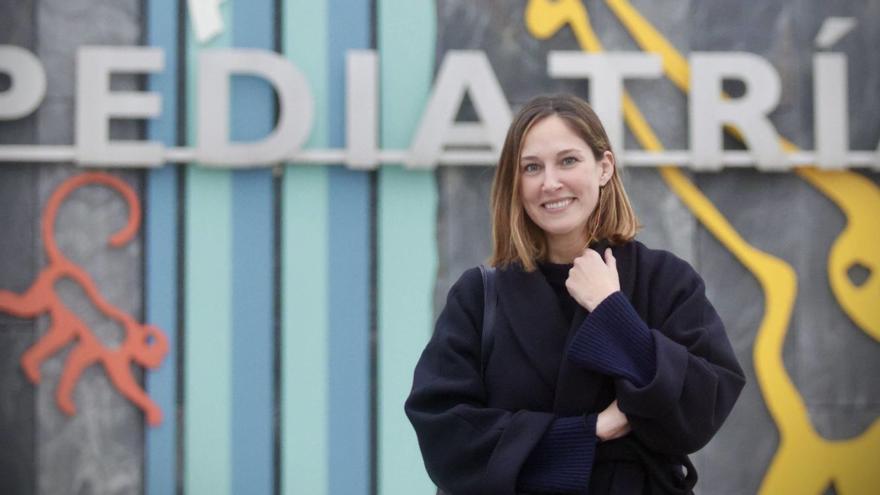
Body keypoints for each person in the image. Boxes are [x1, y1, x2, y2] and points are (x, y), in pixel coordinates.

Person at [405, 94, 746, 494]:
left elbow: (698, 413)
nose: (550, 182)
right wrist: (587, 433)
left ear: (604, 167)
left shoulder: (665, 280)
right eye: (532, 167)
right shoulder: (479, 297)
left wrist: (610, 311)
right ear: (516, 183)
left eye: (568, 161)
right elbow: (445, 436)